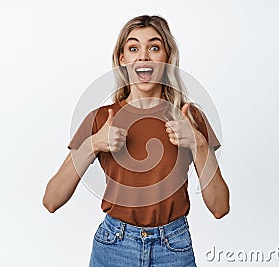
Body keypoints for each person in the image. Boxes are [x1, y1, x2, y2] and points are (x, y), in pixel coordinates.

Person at [43, 15, 230, 266]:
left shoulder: (189, 117)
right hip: (114, 246)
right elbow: (51, 200)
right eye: (133, 48)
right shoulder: (100, 119)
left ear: (167, 58)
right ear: (123, 59)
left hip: (173, 247)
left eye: (154, 47)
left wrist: (198, 143)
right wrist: (93, 144)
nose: (143, 56)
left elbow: (220, 208)